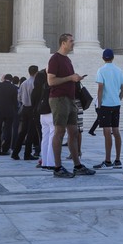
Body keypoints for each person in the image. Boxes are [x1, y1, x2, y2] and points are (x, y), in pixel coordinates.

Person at [47, 33, 96, 178]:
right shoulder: (55, 59)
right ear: (63, 43)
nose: (73, 43)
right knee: (59, 132)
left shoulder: (67, 60)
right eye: (71, 41)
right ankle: (57, 167)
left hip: (70, 99)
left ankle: (77, 165)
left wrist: (76, 78)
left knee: (74, 132)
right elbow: (51, 81)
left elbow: (66, 79)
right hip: (59, 99)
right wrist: (70, 77)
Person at [93, 48, 123, 169]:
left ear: (103, 58)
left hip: (105, 105)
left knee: (107, 132)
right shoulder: (118, 70)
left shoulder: (101, 70)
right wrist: (118, 99)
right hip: (116, 104)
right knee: (116, 131)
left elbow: (100, 88)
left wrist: (99, 104)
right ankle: (117, 159)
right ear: (113, 58)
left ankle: (107, 159)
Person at [12, 66, 39, 160]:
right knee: (30, 132)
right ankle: (27, 154)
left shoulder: (23, 83)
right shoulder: (35, 83)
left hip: (25, 108)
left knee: (23, 131)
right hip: (32, 109)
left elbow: (18, 97)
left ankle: (15, 152)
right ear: (37, 72)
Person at [0, 74, 18, 155]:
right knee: (8, 130)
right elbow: (15, 101)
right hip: (9, 112)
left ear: (5, 78)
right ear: (11, 79)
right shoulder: (13, 87)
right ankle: (5, 149)